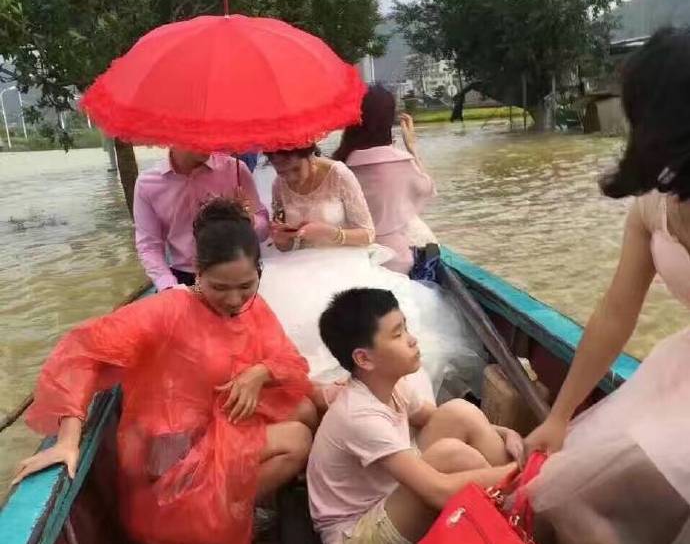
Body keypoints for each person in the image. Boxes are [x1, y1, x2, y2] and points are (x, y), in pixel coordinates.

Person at [13, 199, 314, 544]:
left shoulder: (251, 307)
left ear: (258, 273)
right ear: (197, 273)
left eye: (245, 286)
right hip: (170, 450)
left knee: (304, 406)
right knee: (298, 439)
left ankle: (224, 512)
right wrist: (68, 439)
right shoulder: (167, 310)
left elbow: (289, 360)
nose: (234, 300)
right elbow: (82, 352)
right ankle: (206, 530)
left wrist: (261, 372)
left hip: (215, 426)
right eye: (219, 287)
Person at [524, 28, 690, 544]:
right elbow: (616, 314)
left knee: (574, 490)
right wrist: (560, 415)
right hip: (682, 376)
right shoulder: (655, 200)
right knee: (560, 480)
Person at [307, 287, 518, 544]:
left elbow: (441, 417)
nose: (413, 339)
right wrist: (520, 473)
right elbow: (436, 489)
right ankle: (513, 518)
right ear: (364, 359)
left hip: (384, 505)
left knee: (460, 412)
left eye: (406, 327)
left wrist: (503, 433)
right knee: (451, 460)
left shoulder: (390, 386)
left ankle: (514, 520)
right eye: (398, 333)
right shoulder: (360, 415)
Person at [261, 148, 485, 393]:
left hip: (344, 260)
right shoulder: (278, 184)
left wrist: (329, 233)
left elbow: (367, 234)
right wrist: (282, 239)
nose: (290, 178)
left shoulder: (338, 174)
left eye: (294, 169)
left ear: (307, 154)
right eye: (279, 169)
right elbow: (286, 240)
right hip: (297, 265)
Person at [333, 85, 437, 274]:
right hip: (396, 262)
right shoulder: (401, 162)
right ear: (388, 120)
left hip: (350, 259)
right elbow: (427, 188)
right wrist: (412, 148)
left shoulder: (338, 164)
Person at [133, 149, 269, 290]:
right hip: (182, 277)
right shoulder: (148, 184)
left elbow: (264, 232)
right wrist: (168, 285)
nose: (208, 143)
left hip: (234, 276)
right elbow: (149, 245)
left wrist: (250, 220)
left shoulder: (235, 170)